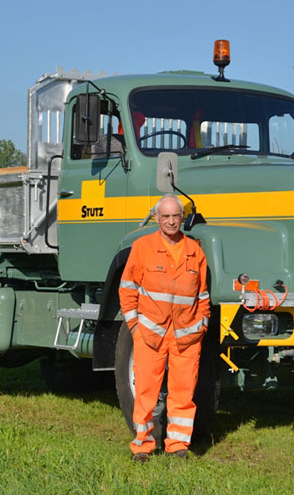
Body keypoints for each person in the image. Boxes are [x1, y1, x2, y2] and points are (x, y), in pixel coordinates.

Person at [119, 194, 210, 462]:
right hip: (151, 335)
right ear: (157, 218)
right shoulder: (142, 247)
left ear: (182, 218)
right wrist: (135, 327)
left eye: (175, 216)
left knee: (183, 394)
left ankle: (178, 445)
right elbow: (127, 290)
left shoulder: (195, 251)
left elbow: (202, 296)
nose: (171, 221)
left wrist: (202, 325)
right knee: (146, 393)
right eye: (165, 216)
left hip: (187, 336)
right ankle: (143, 446)